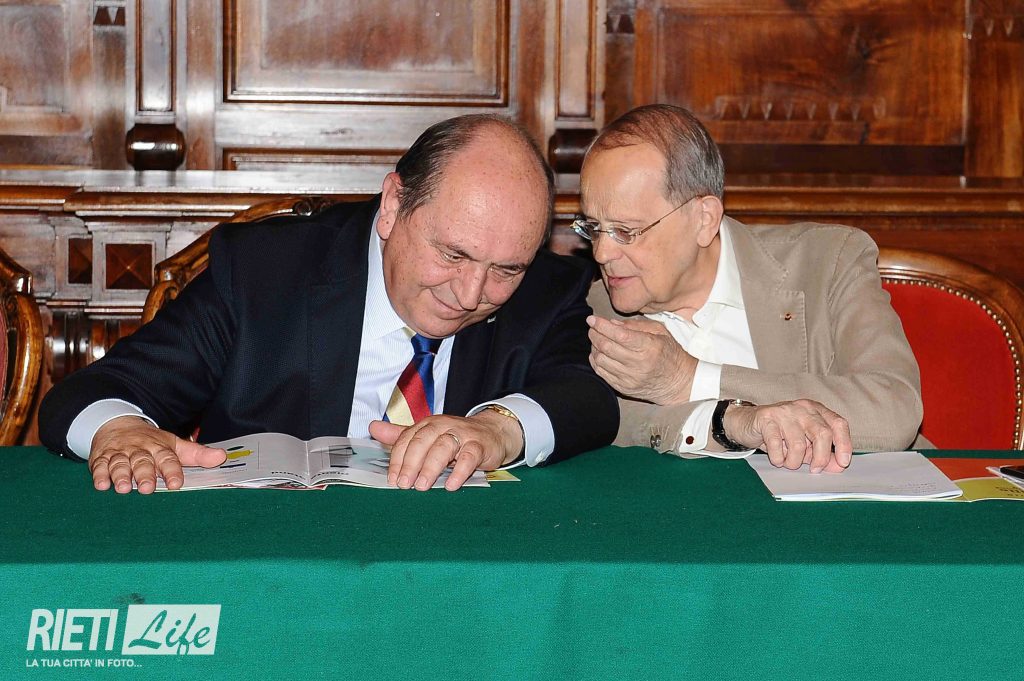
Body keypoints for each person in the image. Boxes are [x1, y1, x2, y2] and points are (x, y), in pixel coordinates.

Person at [39, 114, 618, 493]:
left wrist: (500, 428)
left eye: (505, 270)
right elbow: (92, 393)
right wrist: (120, 430)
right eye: (453, 254)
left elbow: (588, 399)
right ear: (392, 206)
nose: (470, 295)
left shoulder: (544, 289)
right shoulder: (264, 274)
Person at [578, 104, 923, 474]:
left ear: (703, 219)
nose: (602, 253)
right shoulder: (591, 310)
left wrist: (692, 379)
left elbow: (895, 410)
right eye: (594, 228)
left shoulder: (827, 263)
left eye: (626, 231)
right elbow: (604, 422)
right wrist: (733, 421)